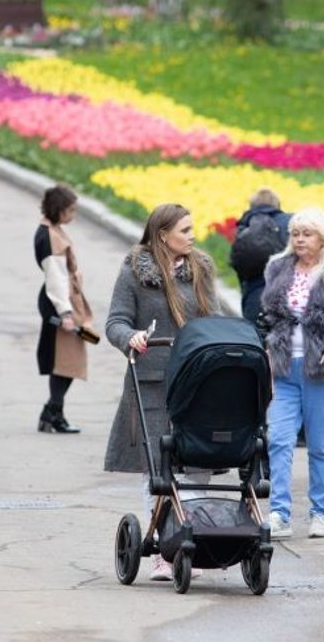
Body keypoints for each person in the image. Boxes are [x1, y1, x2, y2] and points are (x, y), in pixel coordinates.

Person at [103, 202, 219, 581]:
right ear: (162, 234)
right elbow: (115, 322)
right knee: (158, 467)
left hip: (196, 380)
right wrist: (131, 337)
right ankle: (163, 556)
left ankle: (191, 538)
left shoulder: (200, 268)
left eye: (192, 228)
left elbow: (213, 319)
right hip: (151, 382)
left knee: (198, 462)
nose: (192, 235)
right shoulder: (134, 272)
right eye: (185, 230)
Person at [256, 206, 324, 540]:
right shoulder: (279, 270)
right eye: (295, 234)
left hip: (321, 370)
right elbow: (266, 317)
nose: (300, 240)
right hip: (284, 369)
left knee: (318, 445)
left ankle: (319, 513)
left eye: (307, 234)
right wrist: (263, 351)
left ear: (322, 238)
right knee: (280, 441)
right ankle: (279, 513)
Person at [34, 184, 96, 434]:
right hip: (60, 303)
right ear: (58, 210)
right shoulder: (50, 237)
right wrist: (66, 313)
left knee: (68, 361)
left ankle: (53, 413)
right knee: (66, 361)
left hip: (64, 300)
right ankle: (52, 414)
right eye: (71, 210)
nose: (73, 215)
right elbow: (56, 278)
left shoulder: (52, 231)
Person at [230, 187, 291, 323]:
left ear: (251, 206)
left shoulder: (245, 225)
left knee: (255, 340)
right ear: (277, 205)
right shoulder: (288, 222)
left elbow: (237, 264)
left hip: (253, 298)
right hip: (286, 296)